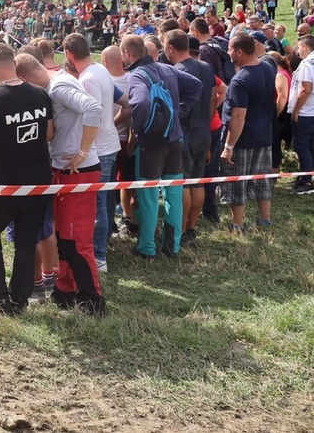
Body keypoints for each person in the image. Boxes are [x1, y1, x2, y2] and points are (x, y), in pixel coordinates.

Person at [0, 44, 54, 316]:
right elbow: (49, 133)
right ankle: (19, 300)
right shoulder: (39, 94)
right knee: (26, 242)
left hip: (5, 185)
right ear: (14, 65)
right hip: (37, 182)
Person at [16, 53, 105, 315]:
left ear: (23, 79)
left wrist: (82, 151)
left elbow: (93, 108)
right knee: (64, 237)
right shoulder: (55, 83)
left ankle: (91, 301)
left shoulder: (59, 86)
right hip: (64, 170)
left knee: (76, 240)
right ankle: (65, 291)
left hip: (79, 171)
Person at [121, 34, 202, 258]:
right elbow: (196, 85)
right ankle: (172, 245)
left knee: (148, 195)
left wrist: (140, 131)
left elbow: (140, 103)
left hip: (151, 145)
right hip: (175, 140)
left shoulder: (137, 75)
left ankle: (146, 247)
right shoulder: (168, 69)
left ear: (127, 53)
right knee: (173, 193)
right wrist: (179, 112)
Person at [63, 33, 127, 274]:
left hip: (99, 148)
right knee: (105, 200)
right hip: (108, 144)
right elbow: (124, 102)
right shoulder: (101, 70)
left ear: (68, 54)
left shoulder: (88, 78)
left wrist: (82, 150)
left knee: (98, 203)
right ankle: (104, 244)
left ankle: (99, 255)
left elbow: (93, 115)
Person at [162, 30, 216, 245]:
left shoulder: (176, 71)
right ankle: (191, 227)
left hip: (185, 132)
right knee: (198, 182)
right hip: (203, 130)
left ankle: (181, 229)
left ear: (170, 48)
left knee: (183, 183)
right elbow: (214, 98)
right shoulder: (207, 67)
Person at [221, 33, 276, 231]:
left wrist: (229, 146)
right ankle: (265, 220)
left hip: (242, 140)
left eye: (229, 49)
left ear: (239, 52)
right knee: (262, 180)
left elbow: (238, 117)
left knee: (237, 183)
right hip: (264, 135)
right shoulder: (268, 68)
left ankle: (237, 225)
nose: (228, 53)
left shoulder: (240, 80)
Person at [287, 35, 314, 194]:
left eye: (299, 48)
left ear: (305, 47)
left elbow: (305, 90)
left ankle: (306, 181)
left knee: (301, 146)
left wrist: (296, 110)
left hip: (305, 111)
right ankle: (306, 174)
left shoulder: (307, 64)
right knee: (308, 145)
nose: (298, 51)